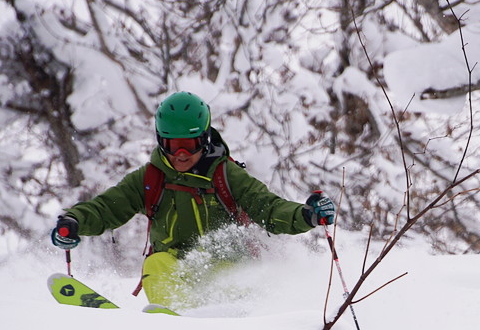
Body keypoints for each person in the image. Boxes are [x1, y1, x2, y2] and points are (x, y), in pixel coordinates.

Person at [51, 91, 335, 313]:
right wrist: (76, 221)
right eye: (174, 146)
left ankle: (218, 322)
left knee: (230, 276)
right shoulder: (151, 178)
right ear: (162, 142)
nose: (182, 154)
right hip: (176, 267)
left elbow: (269, 208)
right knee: (156, 264)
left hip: (229, 265)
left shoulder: (227, 175)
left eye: (190, 144)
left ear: (205, 138)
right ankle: (177, 323)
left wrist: (306, 215)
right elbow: (108, 207)